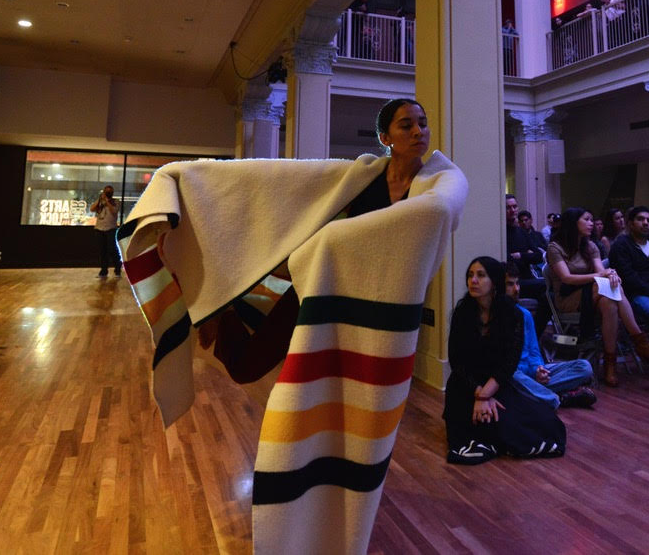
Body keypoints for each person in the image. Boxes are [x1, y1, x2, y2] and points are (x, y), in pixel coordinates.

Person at [122, 97, 467, 553]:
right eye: (406, 125)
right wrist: (183, 179)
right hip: (319, 291)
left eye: (422, 123)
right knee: (247, 364)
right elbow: (279, 184)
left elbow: (438, 213)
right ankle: (221, 313)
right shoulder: (360, 176)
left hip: (373, 319)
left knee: (356, 415)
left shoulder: (438, 181)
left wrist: (333, 243)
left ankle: (333, 507)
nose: (419, 131)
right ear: (385, 138)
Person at [444, 257, 565, 464]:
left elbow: (509, 363)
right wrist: (479, 395)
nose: (473, 280)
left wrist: (486, 395)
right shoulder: (462, 313)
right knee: (490, 425)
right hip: (465, 386)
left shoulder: (512, 315)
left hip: (497, 384)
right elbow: (457, 362)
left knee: (546, 423)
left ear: (495, 282)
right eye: (470, 275)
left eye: (481, 276)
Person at [547, 208, 649, 388]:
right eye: (586, 220)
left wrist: (610, 275)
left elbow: (599, 272)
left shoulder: (590, 246)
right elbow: (567, 278)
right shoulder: (555, 247)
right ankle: (640, 342)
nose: (591, 224)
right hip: (568, 298)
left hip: (594, 295)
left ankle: (610, 364)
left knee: (609, 301)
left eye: (591, 220)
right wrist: (603, 275)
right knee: (609, 288)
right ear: (573, 222)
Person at [504, 265, 595, 409]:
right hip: (514, 375)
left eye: (517, 283)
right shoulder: (495, 319)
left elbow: (534, 351)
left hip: (530, 374)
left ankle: (538, 393)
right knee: (508, 375)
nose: (516, 289)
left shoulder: (524, 315)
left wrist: (538, 370)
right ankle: (558, 398)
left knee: (584, 367)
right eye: (510, 284)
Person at [609, 205, 649, 345]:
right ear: (631, 224)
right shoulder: (621, 246)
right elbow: (629, 279)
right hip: (635, 294)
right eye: (640, 219)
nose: (645, 223)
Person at [91, 185, 120, 278]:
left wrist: (107, 201)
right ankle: (103, 271)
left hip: (111, 229)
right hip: (99, 229)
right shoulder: (100, 202)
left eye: (109, 192)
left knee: (112, 250)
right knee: (102, 251)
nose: (108, 193)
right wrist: (100, 200)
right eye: (106, 191)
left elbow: (114, 211)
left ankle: (117, 269)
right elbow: (92, 209)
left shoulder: (115, 202)